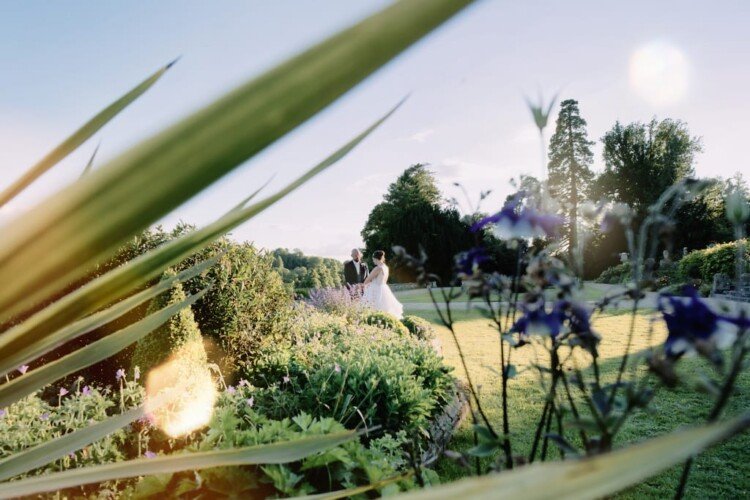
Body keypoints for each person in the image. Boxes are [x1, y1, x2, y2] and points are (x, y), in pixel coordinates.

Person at [362, 250, 403, 318]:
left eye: (373, 259)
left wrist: (366, 285)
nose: (373, 261)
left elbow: (367, 280)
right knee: (385, 307)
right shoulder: (386, 268)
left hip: (375, 289)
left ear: (375, 258)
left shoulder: (377, 268)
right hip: (384, 288)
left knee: (373, 307)